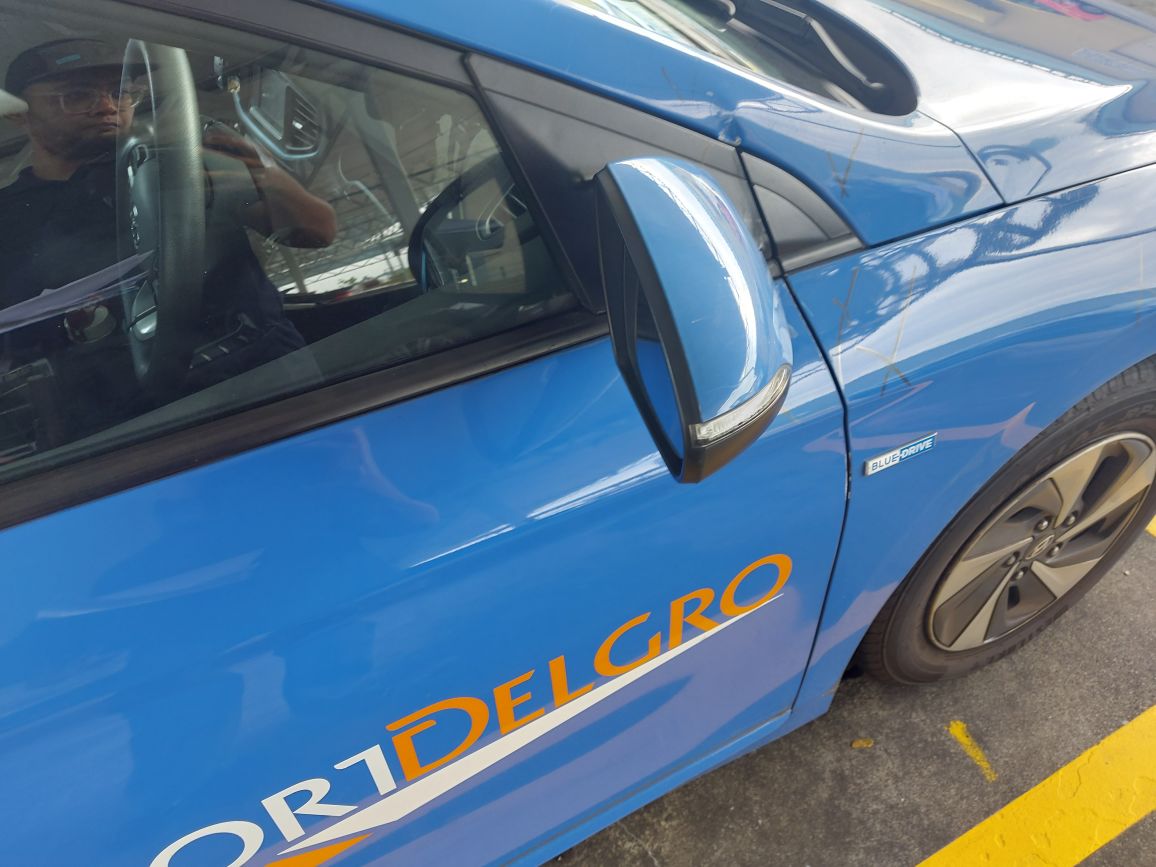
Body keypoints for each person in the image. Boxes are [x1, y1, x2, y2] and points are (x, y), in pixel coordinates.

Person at [0, 38, 336, 438]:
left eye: (122, 93)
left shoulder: (182, 163)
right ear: (19, 114)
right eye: (76, 96)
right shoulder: (8, 218)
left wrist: (263, 175)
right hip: (127, 426)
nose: (108, 106)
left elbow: (318, 231)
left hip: (270, 383)